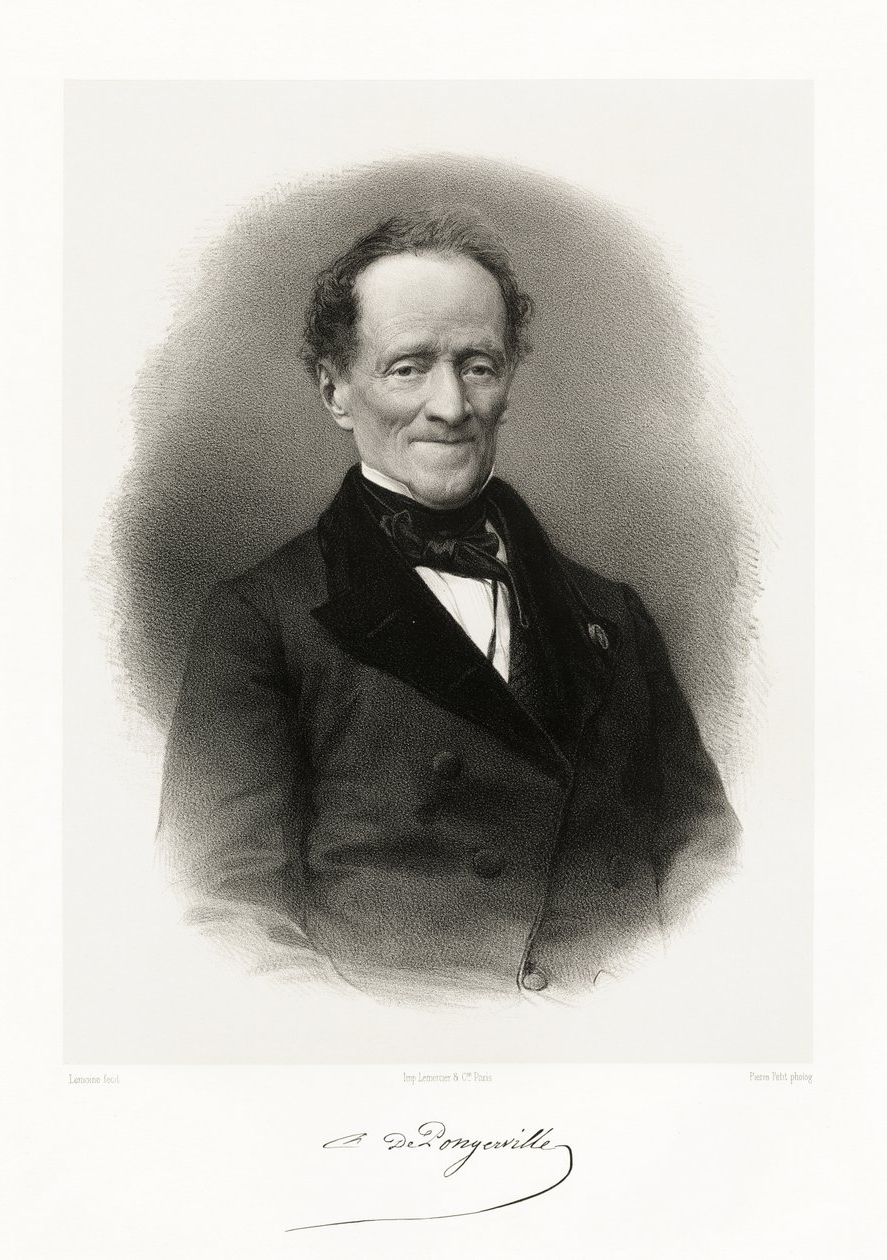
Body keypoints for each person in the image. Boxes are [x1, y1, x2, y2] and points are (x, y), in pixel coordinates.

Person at [158, 209, 739, 1005]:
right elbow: (223, 912)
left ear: (508, 383)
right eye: (407, 368)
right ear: (335, 389)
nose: (450, 405)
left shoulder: (613, 616)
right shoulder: (260, 620)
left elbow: (709, 862)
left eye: (478, 365)